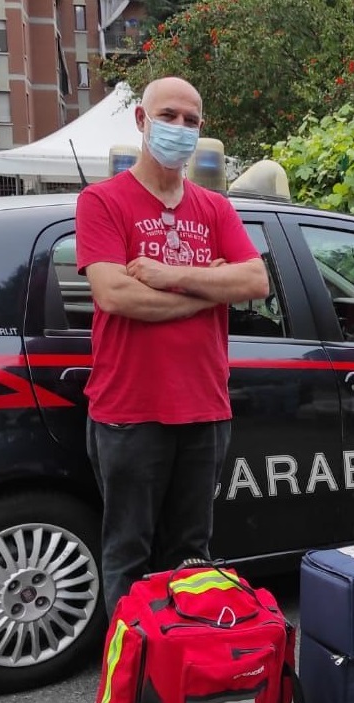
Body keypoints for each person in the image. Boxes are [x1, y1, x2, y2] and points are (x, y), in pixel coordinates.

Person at [75, 76, 269, 611]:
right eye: (169, 116)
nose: (180, 128)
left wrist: (165, 273)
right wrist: (209, 287)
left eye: (190, 119)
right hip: (129, 412)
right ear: (142, 120)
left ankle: (183, 673)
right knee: (128, 554)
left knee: (192, 557)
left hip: (205, 409)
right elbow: (115, 295)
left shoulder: (215, 207)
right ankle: (130, 681)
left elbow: (255, 281)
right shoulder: (102, 201)